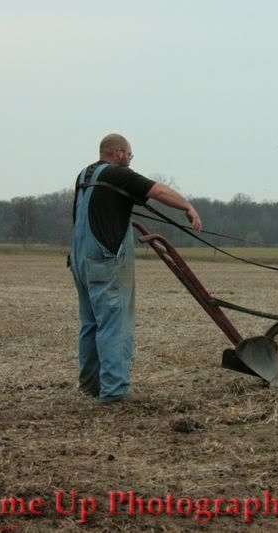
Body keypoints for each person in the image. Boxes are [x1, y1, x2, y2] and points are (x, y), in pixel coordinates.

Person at [70, 133, 202, 403]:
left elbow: (90, 213)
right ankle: (114, 391)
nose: (130, 159)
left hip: (80, 261)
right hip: (104, 262)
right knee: (114, 325)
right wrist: (187, 207)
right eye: (129, 155)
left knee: (90, 324)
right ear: (118, 153)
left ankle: (91, 385)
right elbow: (158, 191)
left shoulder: (85, 175)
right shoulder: (118, 174)